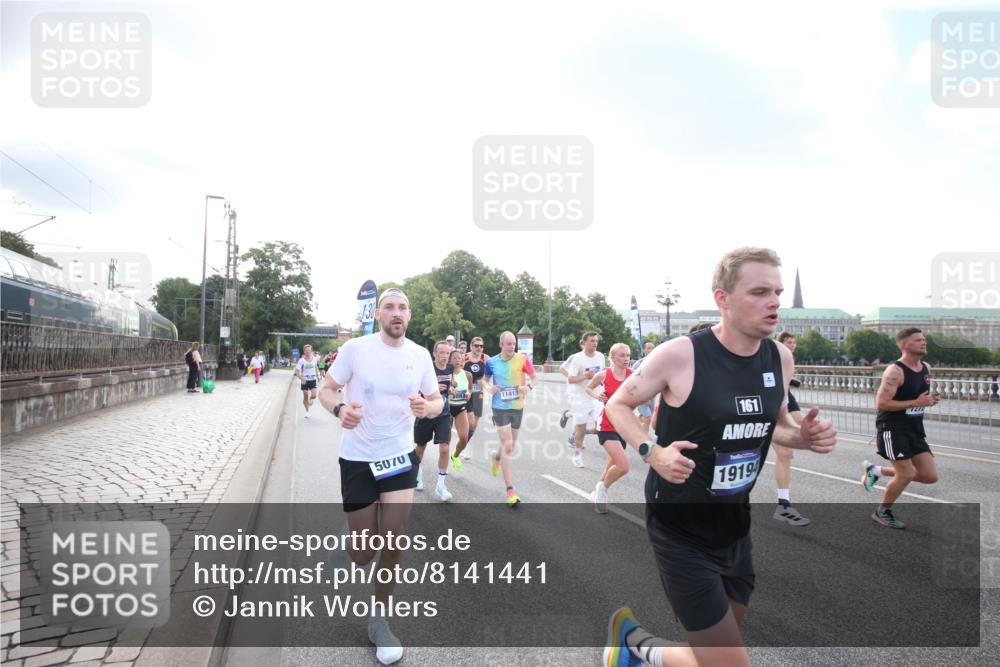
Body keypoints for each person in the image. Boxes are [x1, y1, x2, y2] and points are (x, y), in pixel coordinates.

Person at [601, 247, 837, 667]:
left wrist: (804, 436)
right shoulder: (681, 355)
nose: (774, 302)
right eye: (760, 291)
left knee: (712, 653)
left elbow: (777, 426)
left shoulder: (779, 358)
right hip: (680, 528)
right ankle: (635, 646)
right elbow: (618, 405)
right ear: (723, 299)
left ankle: (633, 645)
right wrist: (652, 453)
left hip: (734, 526)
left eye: (778, 292)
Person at [319, 287, 442, 666]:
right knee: (362, 554)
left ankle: (379, 621)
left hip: (399, 457)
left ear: (409, 315)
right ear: (379, 315)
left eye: (402, 307)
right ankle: (351, 539)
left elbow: (437, 401)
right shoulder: (356, 349)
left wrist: (427, 408)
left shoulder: (420, 355)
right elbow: (327, 389)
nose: (396, 313)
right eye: (389, 306)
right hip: (357, 458)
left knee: (393, 540)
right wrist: (339, 409)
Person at [861, 327, 941, 529]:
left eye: (924, 339)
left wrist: (927, 401)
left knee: (930, 476)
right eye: (918, 340)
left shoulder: (926, 368)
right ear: (905, 344)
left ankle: (876, 471)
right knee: (905, 474)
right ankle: (882, 512)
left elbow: (917, 399)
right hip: (893, 428)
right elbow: (882, 403)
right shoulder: (894, 371)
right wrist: (916, 402)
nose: (924, 343)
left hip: (915, 429)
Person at [482, 330, 538, 506]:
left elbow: (535, 378)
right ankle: (510, 490)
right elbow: (484, 380)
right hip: (499, 407)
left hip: (517, 406)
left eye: (513, 343)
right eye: (508, 344)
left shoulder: (522, 359)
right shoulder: (491, 362)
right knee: (507, 444)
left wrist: (528, 387)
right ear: (501, 344)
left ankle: (497, 457)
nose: (511, 347)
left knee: (511, 445)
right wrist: (488, 388)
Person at [586, 342, 633, 514]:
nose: (626, 359)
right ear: (612, 358)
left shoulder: (633, 375)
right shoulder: (604, 375)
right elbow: (588, 388)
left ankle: (597, 491)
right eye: (622, 355)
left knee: (611, 465)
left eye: (628, 355)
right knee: (623, 465)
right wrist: (597, 395)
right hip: (606, 424)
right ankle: (603, 489)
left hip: (624, 426)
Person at [771, 332, 811, 527]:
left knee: (785, 452)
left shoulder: (787, 357)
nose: (793, 345)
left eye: (795, 342)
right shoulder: (769, 353)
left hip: (782, 400)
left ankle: (783, 504)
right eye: (789, 342)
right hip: (756, 403)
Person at [413, 341, 456, 501]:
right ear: (434, 354)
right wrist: (430, 389)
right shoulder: (427, 368)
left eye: (447, 353)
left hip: (444, 413)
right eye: (442, 353)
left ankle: (441, 485)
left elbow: (449, 385)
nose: (445, 356)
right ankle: (417, 475)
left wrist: (451, 389)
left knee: (445, 448)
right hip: (425, 412)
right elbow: (415, 389)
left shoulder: (450, 368)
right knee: (421, 447)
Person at [559, 332, 606, 467]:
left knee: (602, 426)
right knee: (580, 428)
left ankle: (579, 427)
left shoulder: (601, 356)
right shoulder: (577, 359)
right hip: (580, 397)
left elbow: (601, 375)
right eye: (591, 341)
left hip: (596, 396)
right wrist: (585, 376)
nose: (594, 343)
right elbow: (571, 379)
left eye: (596, 341)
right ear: (584, 342)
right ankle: (577, 456)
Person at [462, 336, 489, 460]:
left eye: (481, 346)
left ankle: (463, 442)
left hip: (478, 393)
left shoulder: (485, 359)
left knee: (475, 423)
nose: (479, 348)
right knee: (468, 422)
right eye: (476, 345)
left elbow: (492, 373)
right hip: (466, 392)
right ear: (471, 346)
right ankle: (463, 446)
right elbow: (456, 372)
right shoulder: (465, 358)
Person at [447, 349, 474, 469]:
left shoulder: (467, 375)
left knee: (464, 438)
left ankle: (455, 455)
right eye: (454, 358)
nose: (457, 360)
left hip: (461, 407)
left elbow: (470, 388)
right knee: (445, 440)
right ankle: (443, 465)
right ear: (449, 360)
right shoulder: (446, 374)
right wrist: (449, 390)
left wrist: (469, 393)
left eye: (459, 358)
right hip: (447, 408)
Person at [631, 341, 657, 433]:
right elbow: (633, 381)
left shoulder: (657, 362)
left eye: (653, 347)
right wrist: (645, 397)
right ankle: (644, 440)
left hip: (653, 395)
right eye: (649, 348)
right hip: (642, 394)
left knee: (646, 417)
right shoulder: (639, 364)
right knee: (647, 417)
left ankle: (629, 422)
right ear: (644, 350)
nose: (651, 350)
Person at [295, 344, 320, 418]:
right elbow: (297, 371)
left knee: (314, 395)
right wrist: (301, 378)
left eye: (309, 350)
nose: (308, 351)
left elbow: (315, 367)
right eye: (306, 350)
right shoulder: (301, 361)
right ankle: (307, 411)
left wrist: (318, 376)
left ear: (311, 351)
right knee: (305, 395)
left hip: (312, 379)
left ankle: (310, 399)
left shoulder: (315, 359)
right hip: (305, 380)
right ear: (304, 351)